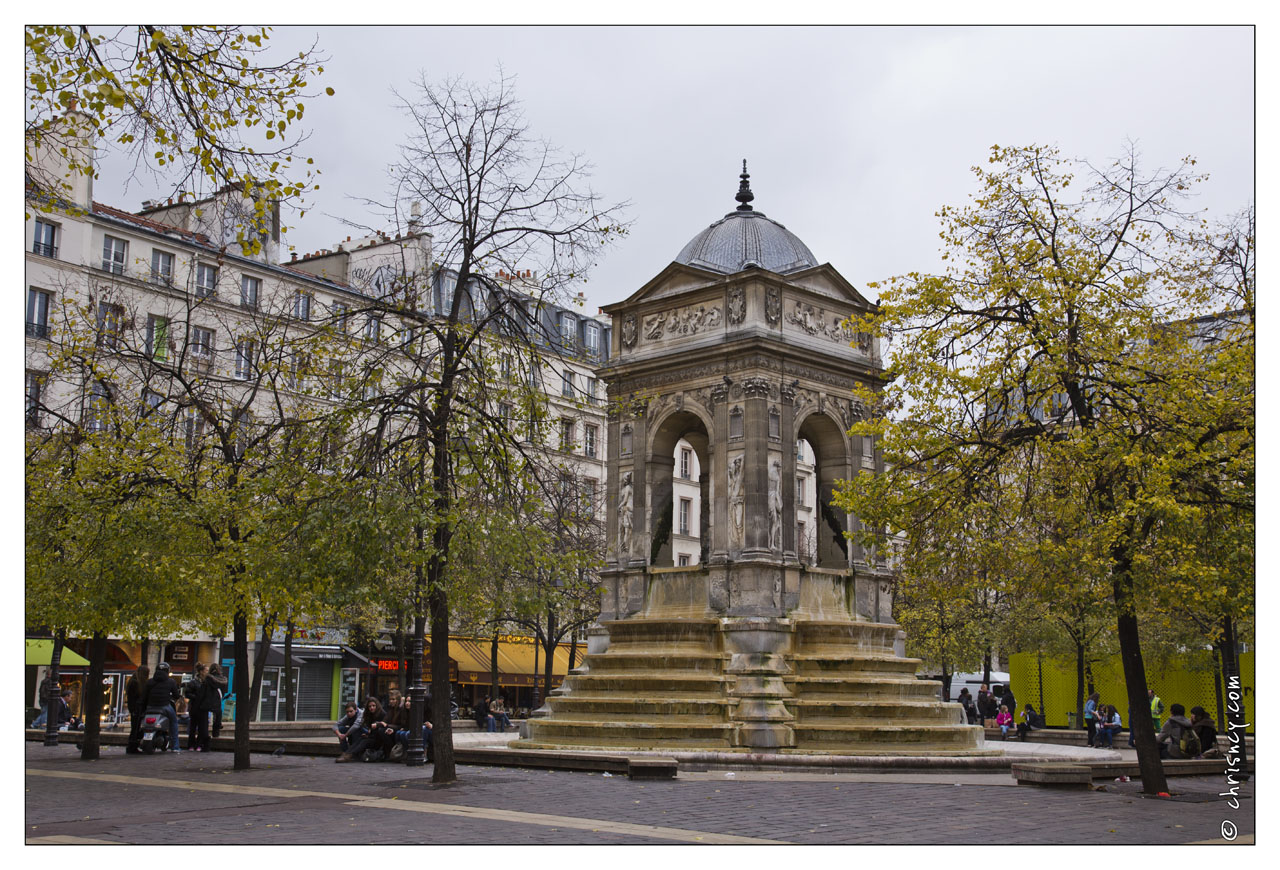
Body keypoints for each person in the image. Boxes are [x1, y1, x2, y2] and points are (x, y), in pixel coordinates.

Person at [144, 662, 181, 752]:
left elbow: (144, 695)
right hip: (164, 706)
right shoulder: (171, 681)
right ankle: (175, 746)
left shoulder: (150, 681)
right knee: (174, 722)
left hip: (150, 706)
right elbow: (176, 695)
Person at [336, 697, 385, 763]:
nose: (372, 708)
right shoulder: (369, 715)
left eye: (373, 706)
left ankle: (351, 755)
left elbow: (381, 729)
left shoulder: (382, 714)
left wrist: (370, 734)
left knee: (364, 741)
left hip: (378, 739)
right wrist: (368, 734)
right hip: (371, 735)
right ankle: (347, 753)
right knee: (361, 738)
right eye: (370, 706)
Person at [125, 665, 150, 754]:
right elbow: (135, 698)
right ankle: (132, 746)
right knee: (135, 728)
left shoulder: (133, 682)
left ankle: (132, 746)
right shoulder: (136, 683)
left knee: (135, 728)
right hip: (136, 709)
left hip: (135, 708)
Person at [183, 663, 206, 751]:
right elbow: (187, 693)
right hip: (195, 707)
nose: (206, 672)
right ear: (201, 672)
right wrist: (196, 697)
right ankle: (191, 745)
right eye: (205, 671)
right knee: (193, 727)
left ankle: (199, 744)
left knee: (201, 727)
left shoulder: (205, 682)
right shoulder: (193, 682)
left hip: (202, 707)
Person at [203, 663, 227, 744]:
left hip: (208, 701)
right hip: (217, 701)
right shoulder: (223, 680)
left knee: (205, 720)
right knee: (217, 716)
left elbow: (204, 690)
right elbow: (223, 692)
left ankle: (205, 737)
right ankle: (216, 734)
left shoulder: (208, 679)